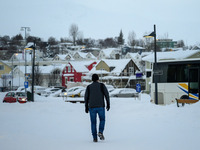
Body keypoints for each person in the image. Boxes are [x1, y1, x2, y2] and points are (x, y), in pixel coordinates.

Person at [84, 74, 110, 142]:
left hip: (92, 107)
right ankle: (100, 132)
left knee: (93, 123)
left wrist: (86, 107)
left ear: (92, 79)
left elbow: (86, 98)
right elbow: (107, 95)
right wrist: (108, 104)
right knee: (102, 120)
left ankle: (95, 138)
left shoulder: (89, 87)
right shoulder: (102, 85)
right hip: (101, 106)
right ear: (98, 79)